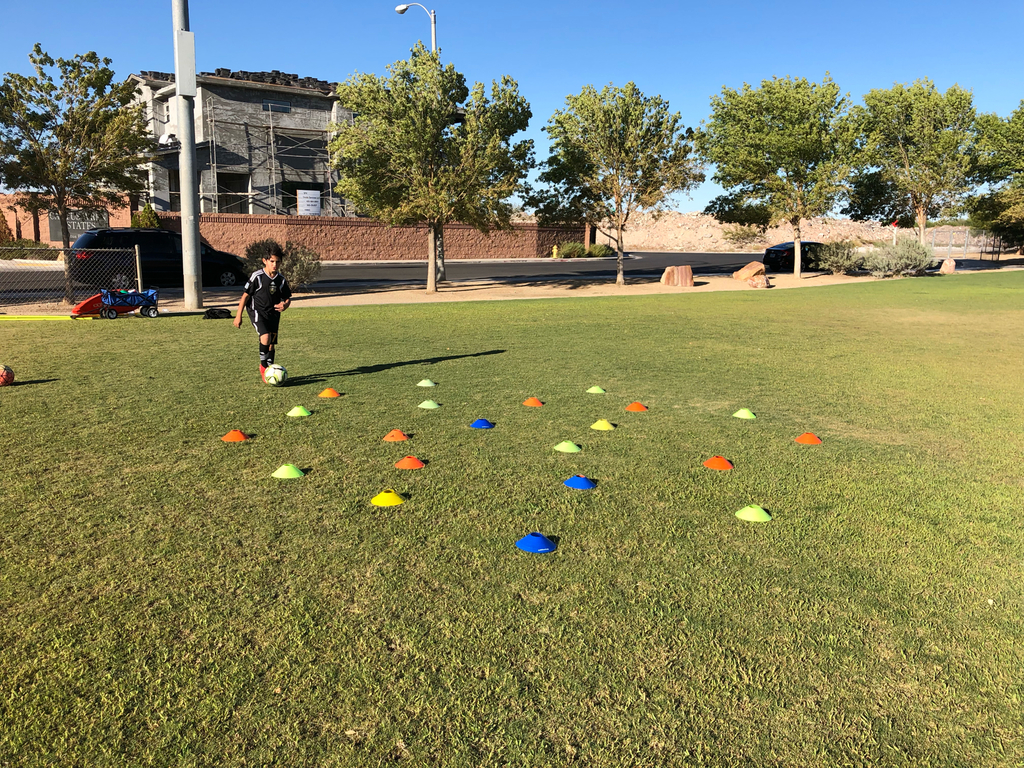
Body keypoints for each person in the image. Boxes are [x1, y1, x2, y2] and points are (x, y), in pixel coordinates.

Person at [234, 244, 292, 381]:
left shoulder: (281, 280)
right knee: (265, 337)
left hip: (274, 314)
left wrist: (285, 305)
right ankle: (263, 366)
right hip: (257, 311)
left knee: (271, 344)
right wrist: (238, 316)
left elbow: (287, 298)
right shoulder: (257, 276)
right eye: (272, 261)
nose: (275, 264)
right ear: (264, 261)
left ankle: (270, 369)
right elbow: (245, 296)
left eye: (277, 262)